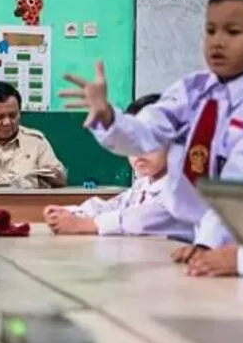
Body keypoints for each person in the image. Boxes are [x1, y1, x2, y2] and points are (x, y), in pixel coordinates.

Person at [59, 0, 243, 273]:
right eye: (210, 30)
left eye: (233, 32)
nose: (217, 42)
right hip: (198, 237)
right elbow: (146, 133)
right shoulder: (192, 90)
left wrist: (209, 244)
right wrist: (109, 117)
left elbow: (242, 185)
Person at [43, 94, 194, 242]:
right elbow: (114, 206)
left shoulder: (184, 185)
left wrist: (85, 224)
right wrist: (71, 212)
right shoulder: (143, 184)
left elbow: (143, 219)